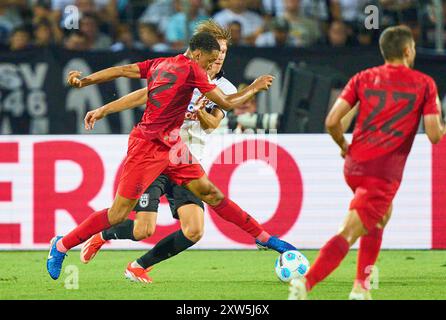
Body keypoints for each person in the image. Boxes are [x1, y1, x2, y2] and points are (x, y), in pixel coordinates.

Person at [47, 31, 296, 281]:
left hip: (174, 147)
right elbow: (228, 103)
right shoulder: (193, 70)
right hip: (148, 147)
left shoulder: (160, 63)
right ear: (198, 53)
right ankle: (61, 245)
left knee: (210, 193)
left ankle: (265, 238)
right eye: (210, 60)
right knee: (118, 214)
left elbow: (123, 70)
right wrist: (254, 87)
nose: (212, 64)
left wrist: (86, 81)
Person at [288, 25, 446, 300]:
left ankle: (361, 287)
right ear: (408, 51)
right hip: (383, 172)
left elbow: (332, 121)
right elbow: (434, 135)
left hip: (353, 165)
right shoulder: (424, 83)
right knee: (349, 230)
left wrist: (343, 146)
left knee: (380, 217)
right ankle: (306, 283)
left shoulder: (363, 77)